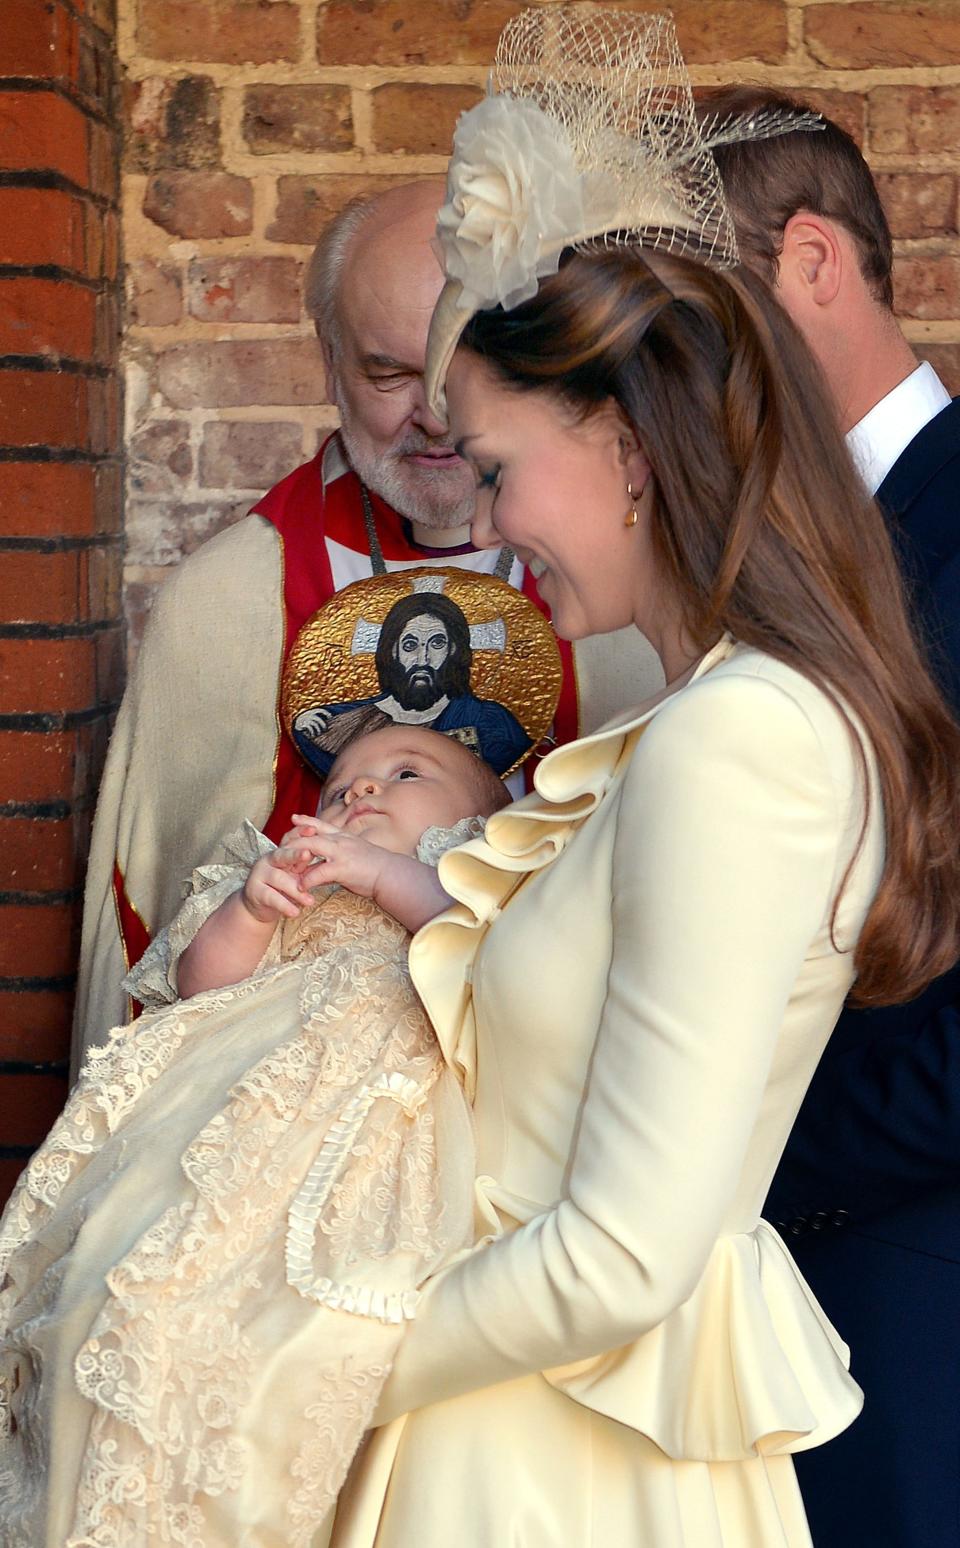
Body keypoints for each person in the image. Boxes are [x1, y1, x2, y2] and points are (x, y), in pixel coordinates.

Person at [313, 11, 960, 1547]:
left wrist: (308, 1356)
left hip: (599, 1413)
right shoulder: (687, 712)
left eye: (493, 463)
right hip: (531, 1416)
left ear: (625, 447)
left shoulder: (744, 735)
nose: (482, 519)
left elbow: (627, 1242)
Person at [73, 180, 661, 1066]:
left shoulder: (625, 584)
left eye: (461, 372)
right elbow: (156, 926)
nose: (433, 415)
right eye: (389, 374)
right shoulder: (234, 593)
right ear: (328, 359)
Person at [0, 723, 509, 1548]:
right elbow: (200, 989)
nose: (362, 792)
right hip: (231, 1102)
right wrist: (249, 909)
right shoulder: (278, 880)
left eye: (406, 773)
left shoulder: (474, 866)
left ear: (487, 811)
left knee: (290, 1311)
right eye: (341, 787)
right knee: (129, 1267)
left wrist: (385, 876)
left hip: (376, 1105)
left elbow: (498, 949)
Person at [707, 84, 960, 1547]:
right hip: (777, 1301)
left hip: (915, 1294)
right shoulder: (762, 552)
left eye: (703, 316)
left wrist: (740, 1151)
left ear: (814, 263)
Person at [293, 591, 531, 776]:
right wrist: (307, 723)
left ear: (453, 649)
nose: (422, 659)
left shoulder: (491, 723)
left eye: (437, 644)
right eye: (410, 645)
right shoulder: (341, 723)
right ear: (392, 651)